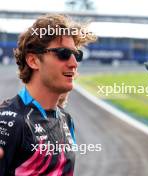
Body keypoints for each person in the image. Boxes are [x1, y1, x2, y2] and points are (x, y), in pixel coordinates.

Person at [0, 14, 95, 175]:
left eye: (76, 55)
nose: (74, 63)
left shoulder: (65, 119)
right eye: (63, 53)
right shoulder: (10, 120)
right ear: (33, 61)